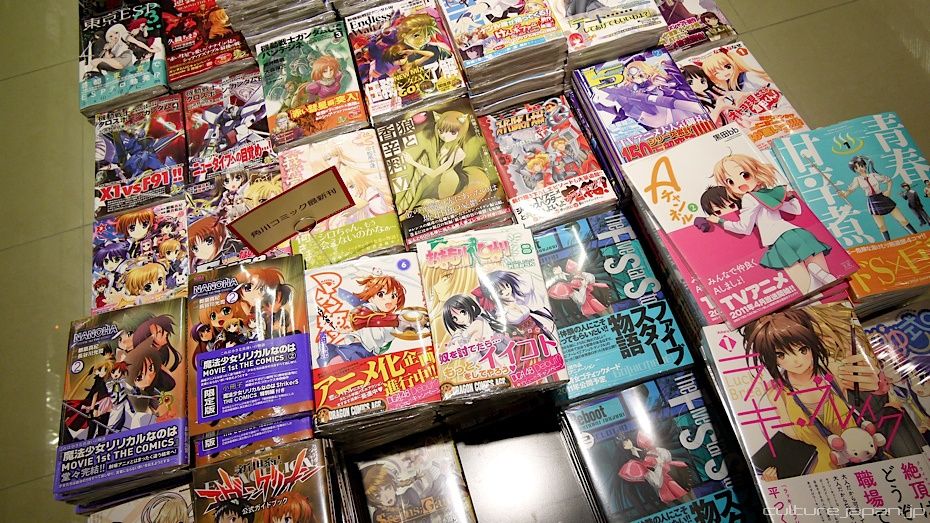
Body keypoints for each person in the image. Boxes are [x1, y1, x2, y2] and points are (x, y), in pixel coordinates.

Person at [704, 153, 836, 293]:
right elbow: (795, 210)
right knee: (825, 286)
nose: (740, 184)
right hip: (798, 233)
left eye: (744, 175)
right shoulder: (770, 193)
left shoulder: (749, 199)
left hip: (780, 242)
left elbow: (744, 228)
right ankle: (815, 275)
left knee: (806, 290)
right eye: (730, 182)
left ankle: (814, 280)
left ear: (756, 171)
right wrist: (791, 197)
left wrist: (720, 221)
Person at [838, 155, 917, 240]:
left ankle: (916, 236)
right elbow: (850, 190)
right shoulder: (857, 179)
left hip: (882, 197)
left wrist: (888, 191)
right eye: (856, 168)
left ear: (864, 165)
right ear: (855, 170)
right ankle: (888, 244)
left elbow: (888, 180)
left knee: (902, 220)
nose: (860, 169)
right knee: (881, 226)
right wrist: (843, 194)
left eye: (861, 166)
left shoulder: (873, 175)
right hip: (872, 201)